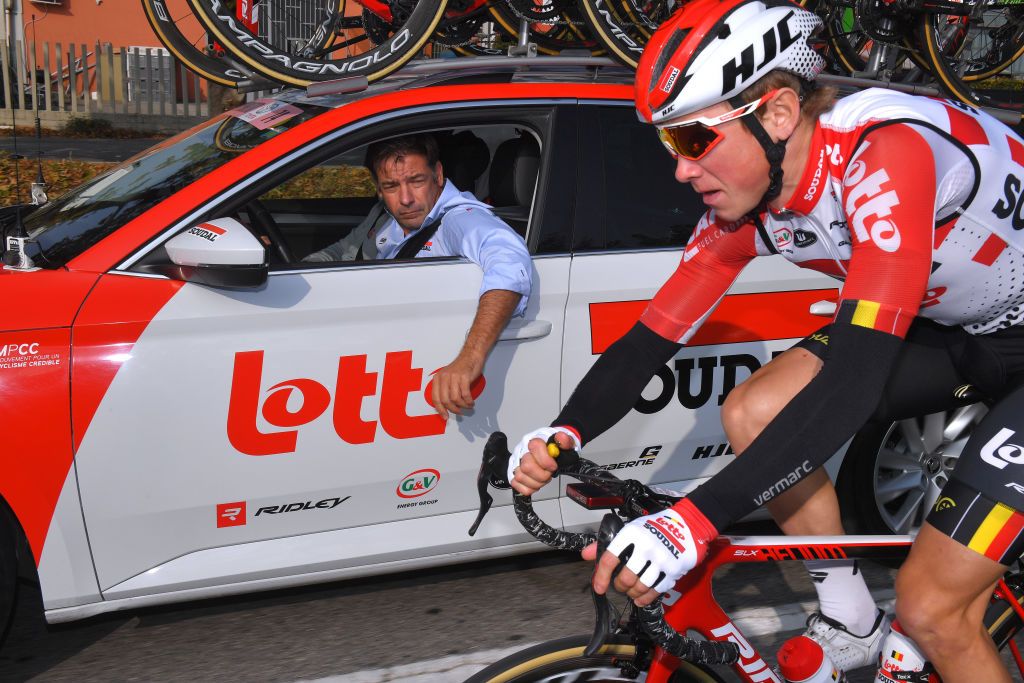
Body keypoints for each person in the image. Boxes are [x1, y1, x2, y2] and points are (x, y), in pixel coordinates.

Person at [507, 0, 1024, 680]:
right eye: (668, 144)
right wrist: (563, 431)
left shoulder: (885, 154)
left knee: (933, 608)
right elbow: (647, 340)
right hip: (970, 328)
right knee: (754, 408)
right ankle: (849, 613)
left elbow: (852, 385)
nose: (680, 170)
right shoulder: (755, 200)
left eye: (693, 140)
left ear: (777, 113)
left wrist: (693, 520)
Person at [363, 133, 532, 420]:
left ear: (438, 174)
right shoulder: (390, 221)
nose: (405, 199)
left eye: (417, 181)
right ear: (379, 190)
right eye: (392, 186)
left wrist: (470, 358)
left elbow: (509, 263)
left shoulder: (459, 219)